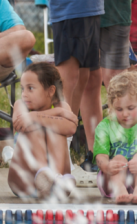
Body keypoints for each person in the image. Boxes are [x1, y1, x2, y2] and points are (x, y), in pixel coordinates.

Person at [8, 63, 77, 199]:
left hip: (58, 181)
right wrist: (56, 113)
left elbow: (71, 128)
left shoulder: (62, 106)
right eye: (23, 89)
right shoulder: (20, 105)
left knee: (55, 129)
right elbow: (21, 125)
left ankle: (54, 178)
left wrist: (36, 116)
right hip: (24, 181)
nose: (24, 94)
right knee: (38, 126)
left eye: (30, 88)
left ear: (50, 91)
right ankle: (44, 174)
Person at [47, 0, 102, 168]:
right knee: (67, 79)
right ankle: (56, 153)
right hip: (71, 10)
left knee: (83, 76)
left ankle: (66, 146)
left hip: (91, 10)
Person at [80, 0, 130, 172]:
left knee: (118, 83)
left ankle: (126, 151)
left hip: (116, 9)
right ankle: (96, 153)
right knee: (87, 81)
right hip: (80, 11)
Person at [93, 71, 137, 204]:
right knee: (119, 159)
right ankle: (120, 190)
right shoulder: (104, 126)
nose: (125, 114)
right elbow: (100, 157)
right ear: (111, 106)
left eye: (131, 108)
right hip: (112, 178)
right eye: (119, 109)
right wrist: (107, 166)